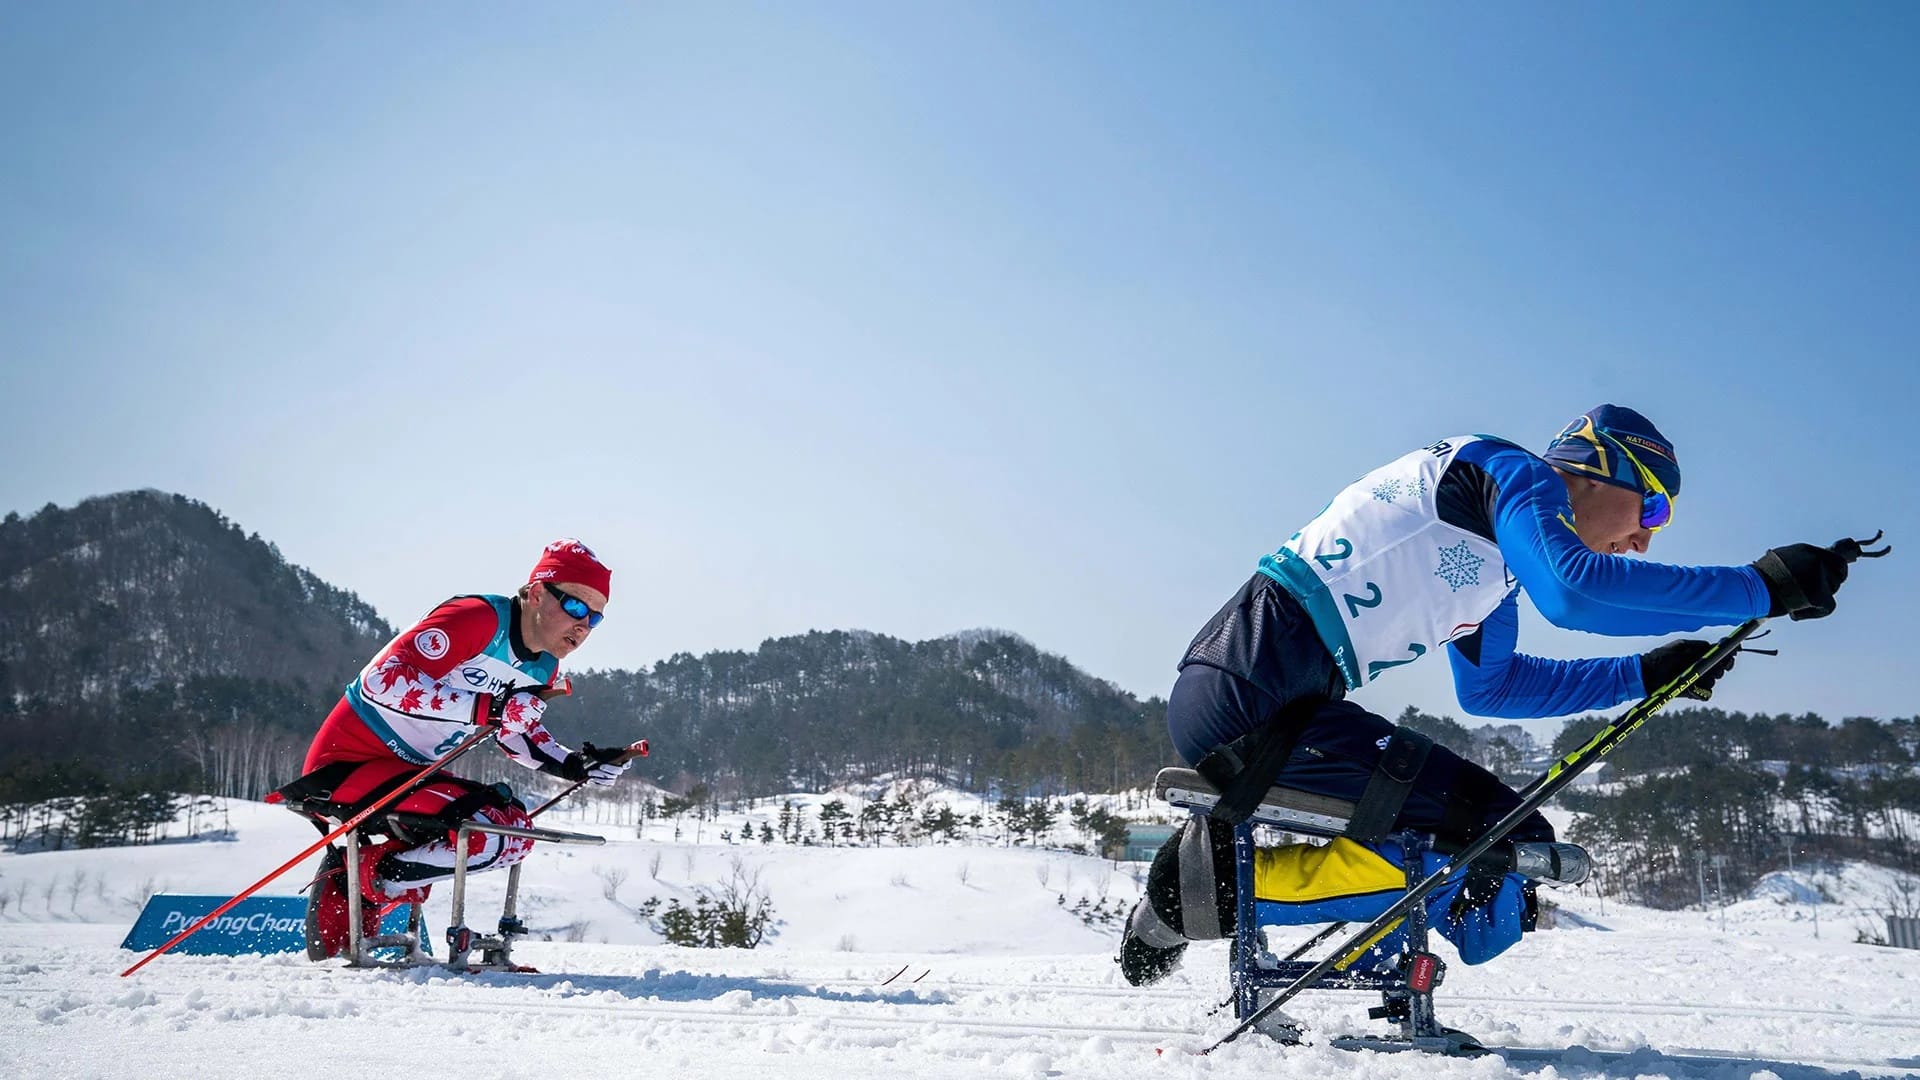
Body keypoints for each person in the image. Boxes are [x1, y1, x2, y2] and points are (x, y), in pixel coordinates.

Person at [1120, 404, 1857, 985]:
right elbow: (1573, 592)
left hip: (1270, 699)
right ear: (1600, 470)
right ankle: (1197, 892)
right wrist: (1758, 587)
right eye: (1654, 510)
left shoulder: (1493, 558)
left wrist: (1644, 674)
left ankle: (1275, 912)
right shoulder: (1506, 473)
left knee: (1503, 833)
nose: (1645, 541)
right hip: (1250, 693)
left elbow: (1494, 686)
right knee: (1493, 840)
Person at [280, 538, 633, 960]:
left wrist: (578, 764)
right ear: (538, 592)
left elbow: (515, 734)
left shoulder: (544, 666)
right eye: (576, 607)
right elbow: (383, 681)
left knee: (512, 831)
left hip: (409, 774)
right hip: (348, 764)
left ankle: (377, 878)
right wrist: (491, 706)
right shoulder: (477, 619)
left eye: (596, 618)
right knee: (484, 829)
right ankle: (362, 877)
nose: (583, 626)